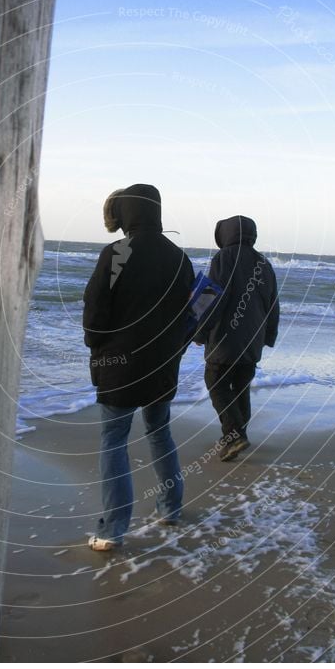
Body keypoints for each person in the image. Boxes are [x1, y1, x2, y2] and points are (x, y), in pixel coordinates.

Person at [83, 184, 194, 551]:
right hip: (163, 364)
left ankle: (113, 529)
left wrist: (97, 347)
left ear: (127, 213)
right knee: (159, 432)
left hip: (120, 365)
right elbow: (189, 315)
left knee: (114, 441)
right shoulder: (180, 257)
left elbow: (95, 312)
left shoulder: (116, 253)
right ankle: (171, 508)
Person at [194, 215, 279, 461]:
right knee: (240, 388)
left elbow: (213, 296)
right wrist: (268, 335)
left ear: (225, 234)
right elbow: (273, 304)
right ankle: (235, 436)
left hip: (225, 338)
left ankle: (234, 435)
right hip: (252, 340)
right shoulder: (264, 263)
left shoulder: (224, 258)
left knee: (216, 382)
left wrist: (200, 331)